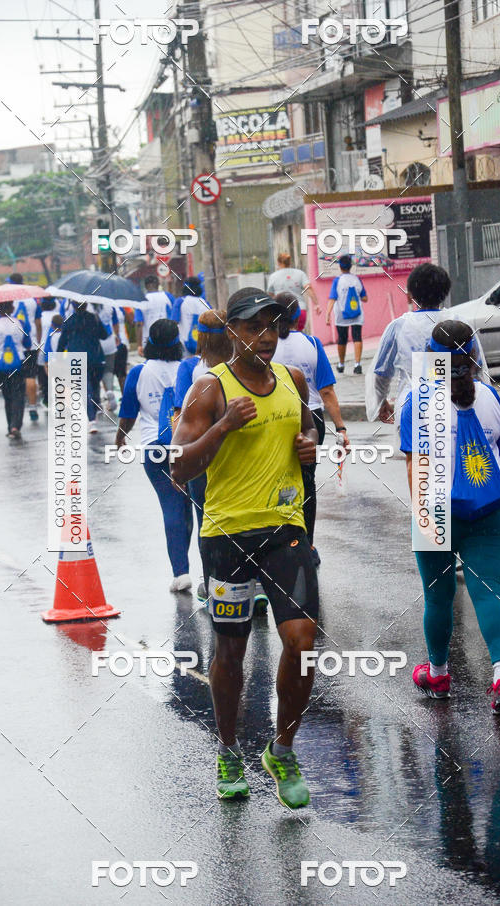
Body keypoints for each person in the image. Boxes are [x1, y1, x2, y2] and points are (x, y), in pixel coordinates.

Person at [172, 287, 319, 808]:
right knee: (231, 650)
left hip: (285, 530)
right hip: (227, 537)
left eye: (273, 327)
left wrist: (310, 446)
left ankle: (281, 749)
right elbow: (179, 467)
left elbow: (306, 438)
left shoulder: (293, 379)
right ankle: (229, 750)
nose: (266, 337)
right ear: (232, 331)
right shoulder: (209, 390)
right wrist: (224, 426)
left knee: (301, 641)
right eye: (255, 327)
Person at [400, 320, 500, 715]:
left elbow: (415, 469)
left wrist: (425, 517)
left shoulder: (416, 400)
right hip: (488, 512)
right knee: (489, 592)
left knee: (438, 598)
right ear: (473, 356)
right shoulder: (489, 396)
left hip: (435, 509)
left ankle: (438, 673)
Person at [116, 319, 193, 591]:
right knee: (192, 506)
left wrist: (120, 437)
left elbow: (127, 413)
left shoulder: (139, 372)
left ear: (148, 342)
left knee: (170, 505)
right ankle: (210, 572)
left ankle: (181, 572)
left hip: (154, 447)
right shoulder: (190, 368)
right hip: (190, 446)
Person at [274, 292, 349, 565]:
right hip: (312, 420)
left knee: (278, 482)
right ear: (297, 316)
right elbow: (327, 391)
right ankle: (308, 545)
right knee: (307, 483)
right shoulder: (312, 343)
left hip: (277, 419)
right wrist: (341, 427)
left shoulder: (266, 346)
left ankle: (281, 545)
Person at [366, 263, 486, 428]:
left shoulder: (398, 327)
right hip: (456, 405)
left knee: (415, 454)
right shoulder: (460, 323)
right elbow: (478, 369)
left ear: (410, 295)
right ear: (445, 292)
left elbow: (381, 372)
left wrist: (381, 402)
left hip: (412, 409)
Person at [173, 309, 232, 602]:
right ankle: (254, 583)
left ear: (200, 336)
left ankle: (213, 586)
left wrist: (177, 461)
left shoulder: (190, 370)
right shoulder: (243, 367)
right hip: (240, 455)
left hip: (203, 458)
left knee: (206, 521)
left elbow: (179, 418)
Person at [0, 301, 31, 440]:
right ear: (13, 308)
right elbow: (27, 344)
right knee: (18, 395)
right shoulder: (21, 323)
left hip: (0, 364)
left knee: (7, 395)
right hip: (18, 362)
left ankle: (10, 427)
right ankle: (16, 425)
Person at [57, 301, 108, 433]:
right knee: (95, 384)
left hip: (77, 358)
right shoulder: (94, 318)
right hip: (95, 357)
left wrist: (58, 358)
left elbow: (62, 342)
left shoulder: (69, 321)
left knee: (85, 389)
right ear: (86, 305)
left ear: (73, 306)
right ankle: (95, 407)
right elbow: (104, 335)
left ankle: (91, 419)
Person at [326, 254, 367, 374]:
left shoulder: (337, 281)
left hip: (341, 315)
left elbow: (333, 298)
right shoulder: (357, 279)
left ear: (340, 267)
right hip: (357, 314)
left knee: (342, 339)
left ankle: (341, 364)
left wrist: (328, 314)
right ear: (351, 266)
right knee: (357, 337)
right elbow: (365, 298)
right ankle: (357, 364)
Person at [8, 272, 41, 422]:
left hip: (14, 345)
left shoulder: (8, 299)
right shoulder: (32, 299)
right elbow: (38, 322)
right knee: (30, 376)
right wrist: (38, 340)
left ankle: (17, 407)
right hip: (32, 342)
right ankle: (33, 406)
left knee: (15, 379)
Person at [267, 252, 320, 332]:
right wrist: (316, 304)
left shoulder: (273, 276)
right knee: (298, 336)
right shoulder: (300, 274)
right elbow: (308, 288)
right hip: (299, 310)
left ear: (278, 263)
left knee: (282, 337)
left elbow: (270, 295)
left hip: (281, 311)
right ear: (289, 262)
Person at [170, 276, 211, 356]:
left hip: (184, 344)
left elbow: (174, 322)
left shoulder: (180, 301)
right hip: (203, 345)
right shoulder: (205, 303)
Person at [135, 274, 174, 355]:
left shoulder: (141, 301)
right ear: (158, 284)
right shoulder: (168, 297)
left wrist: (139, 345)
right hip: (167, 338)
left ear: (145, 286)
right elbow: (175, 319)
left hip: (149, 340)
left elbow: (139, 324)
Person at [93, 303, 120, 412]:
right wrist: (117, 336)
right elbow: (115, 323)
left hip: (94, 343)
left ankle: (97, 401)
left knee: (94, 372)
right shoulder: (110, 306)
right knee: (108, 370)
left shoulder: (87, 307)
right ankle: (109, 391)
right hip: (109, 341)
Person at [36, 297, 57, 408]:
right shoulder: (59, 315)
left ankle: (47, 398)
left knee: (43, 375)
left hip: (42, 348)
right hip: (57, 348)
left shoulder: (40, 317)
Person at [114, 307, 132, 395]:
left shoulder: (121, 308)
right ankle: (124, 395)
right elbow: (132, 322)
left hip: (120, 343)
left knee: (119, 373)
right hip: (119, 343)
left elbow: (131, 321)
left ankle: (124, 395)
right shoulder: (118, 308)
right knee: (121, 374)